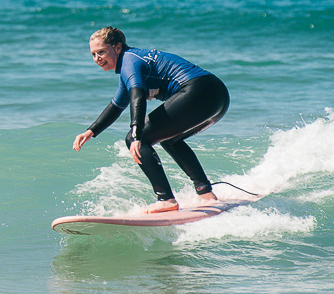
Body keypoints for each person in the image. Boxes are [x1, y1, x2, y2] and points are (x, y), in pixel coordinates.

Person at [71, 27, 230, 213]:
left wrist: (137, 135)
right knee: (171, 140)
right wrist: (91, 131)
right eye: (93, 54)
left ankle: (166, 199)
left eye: (102, 52)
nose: (97, 58)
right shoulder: (131, 64)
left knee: (133, 138)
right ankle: (205, 192)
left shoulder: (129, 61)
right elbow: (116, 107)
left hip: (197, 91)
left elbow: (137, 96)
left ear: (118, 48)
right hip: (217, 95)